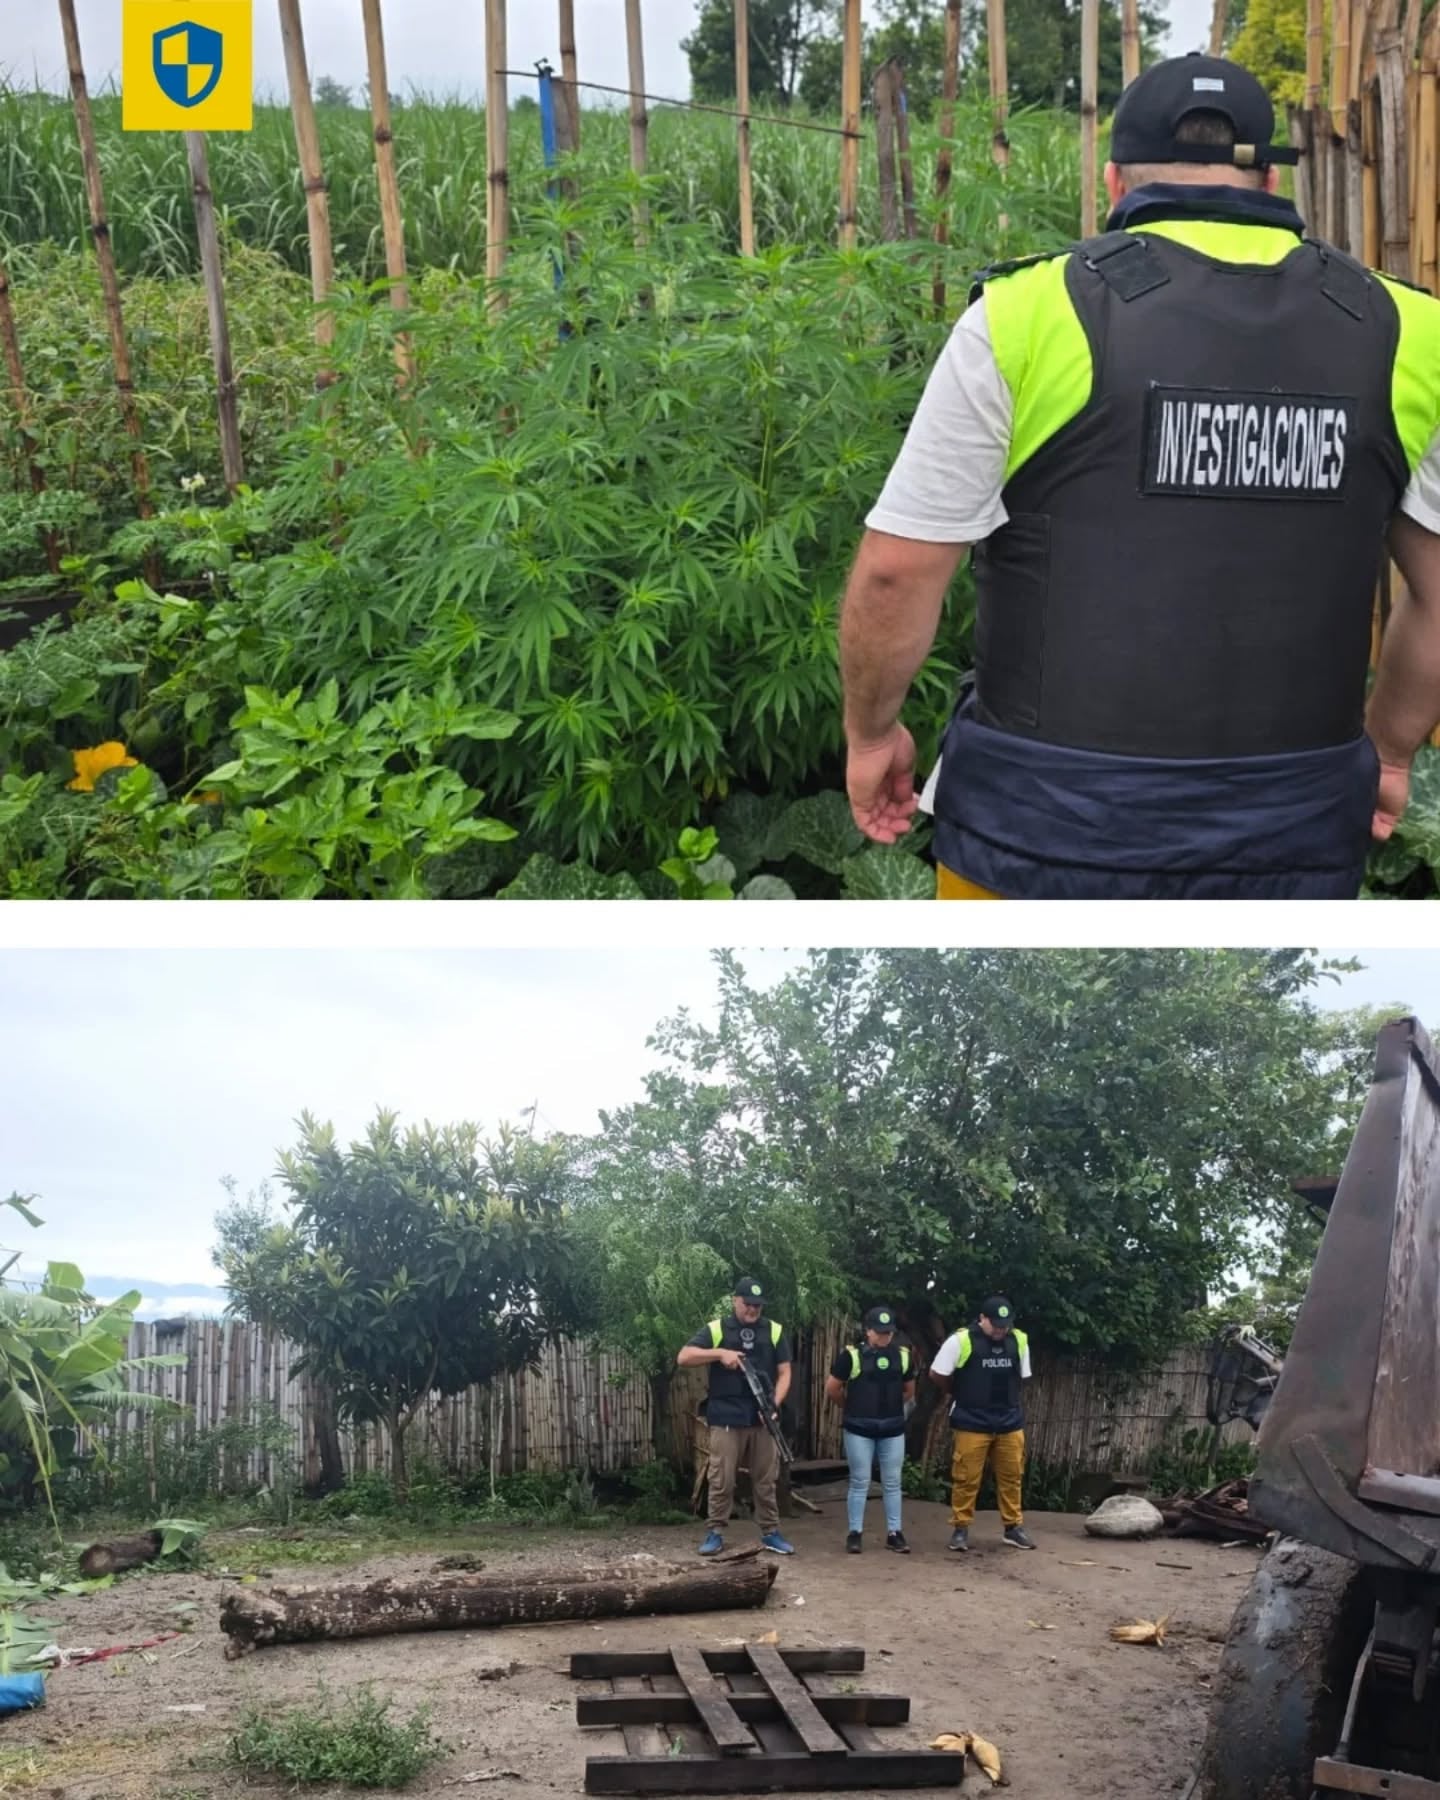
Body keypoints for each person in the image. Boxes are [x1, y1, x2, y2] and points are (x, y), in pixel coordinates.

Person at [839, 51, 1440, 900]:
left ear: (1115, 179)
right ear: (1268, 177)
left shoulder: (1026, 315)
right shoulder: (1412, 332)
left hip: (1038, 839)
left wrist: (871, 736)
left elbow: (899, 570)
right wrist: (1388, 748)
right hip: (1292, 842)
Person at [677, 1276, 796, 1556]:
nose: (753, 1310)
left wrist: (774, 1405)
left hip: (762, 1418)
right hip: (726, 1416)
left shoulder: (775, 1331)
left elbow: (785, 1372)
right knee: (722, 1479)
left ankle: (770, 1532)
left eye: (757, 1305)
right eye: (747, 1304)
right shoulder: (718, 1328)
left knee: (766, 1479)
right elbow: (684, 1357)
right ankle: (715, 1531)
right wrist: (719, 1354)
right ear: (735, 1301)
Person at [929, 1296, 1035, 1551]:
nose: (1000, 1330)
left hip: (1009, 1420)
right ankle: (960, 1529)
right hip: (971, 1420)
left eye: (1005, 1325)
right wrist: (958, 1392)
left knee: (1012, 1476)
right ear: (982, 1319)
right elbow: (937, 1373)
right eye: (995, 1324)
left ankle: (1013, 1528)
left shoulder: (1019, 1340)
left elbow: (1024, 1376)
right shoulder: (961, 1340)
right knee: (966, 1478)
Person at [824, 1304, 917, 1554]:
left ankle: (895, 1533)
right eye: (879, 1332)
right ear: (867, 1331)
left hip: (892, 1430)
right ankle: (855, 1533)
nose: (884, 1336)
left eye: (888, 1332)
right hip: (859, 1430)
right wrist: (850, 1407)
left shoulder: (903, 1356)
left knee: (892, 1481)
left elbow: (909, 1391)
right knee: (860, 1481)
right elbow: (833, 1388)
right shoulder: (851, 1356)